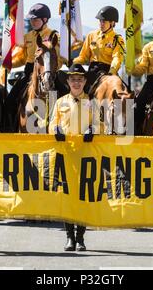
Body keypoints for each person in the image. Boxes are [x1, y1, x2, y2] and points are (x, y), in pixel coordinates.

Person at [48, 64, 94, 251]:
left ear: (84, 82)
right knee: (67, 197)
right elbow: (52, 124)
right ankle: (69, 237)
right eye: (73, 79)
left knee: (82, 197)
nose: (76, 82)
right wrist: (56, 130)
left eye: (80, 79)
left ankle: (81, 237)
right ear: (67, 82)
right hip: (65, 155)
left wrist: (93, 130)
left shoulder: (92, 102)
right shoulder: (60, 102)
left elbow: (101, 125)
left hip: (84, 155)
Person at [5, 3, 63, 127]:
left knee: (65, 95)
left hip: (49, 71)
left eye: (35, 19)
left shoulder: (54, 36)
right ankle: (11, 127)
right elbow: (22, 58)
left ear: (45, 20)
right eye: (31, 19)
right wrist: (9, 63)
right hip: (30, 71)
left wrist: (50, 71)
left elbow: (59, 58)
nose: (32, 22)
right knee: (10, 100)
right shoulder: (27, 37)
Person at [73, 6, 125, 92]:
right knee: (80, 91)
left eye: (104, 21)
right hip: (93, 70)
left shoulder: (117, 39)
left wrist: (112, 71)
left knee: (124, 92)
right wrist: (73, 62)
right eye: (100, 21)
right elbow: (83, 56)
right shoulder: (91, 35)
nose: (101, 23)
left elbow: (117, 57)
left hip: (108, 69)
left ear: (112, 23)